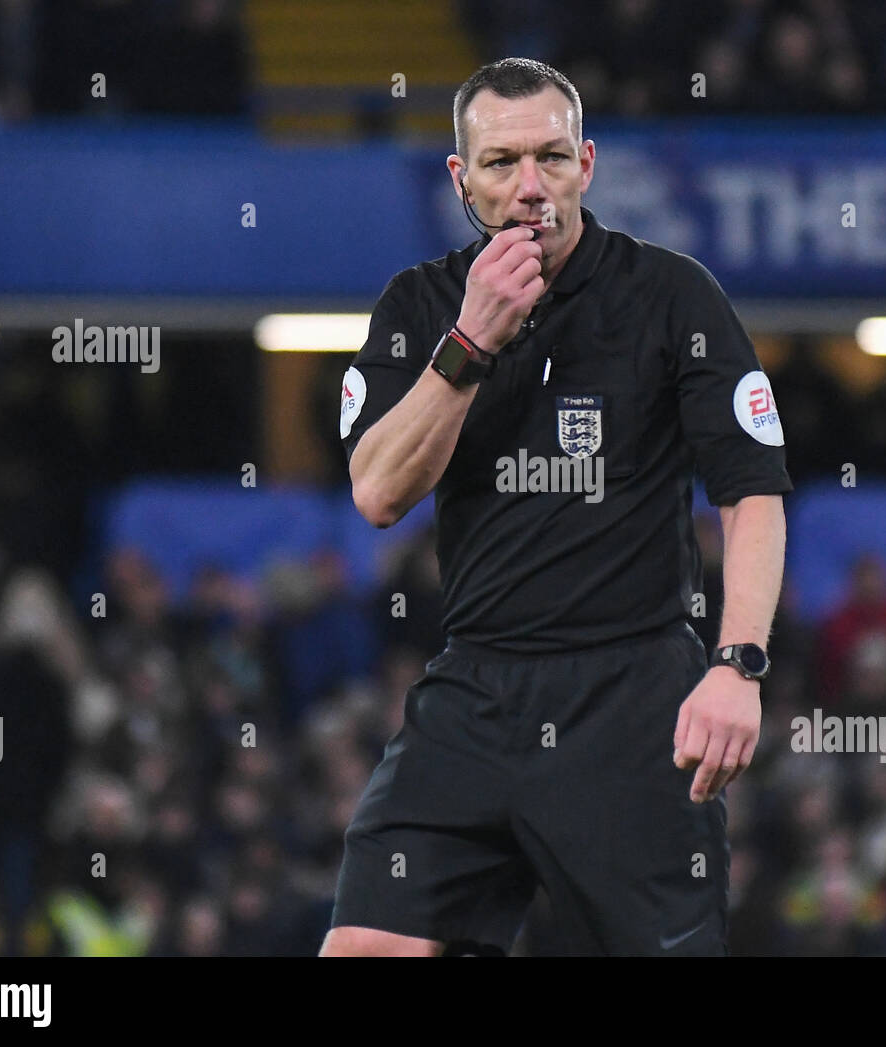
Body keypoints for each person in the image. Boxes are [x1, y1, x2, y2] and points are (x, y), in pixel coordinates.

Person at [321, 57, 791, 957]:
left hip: (633, 698)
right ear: (461, 179)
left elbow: (752, 492)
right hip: (473, 694)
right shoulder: (419, 306)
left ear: (588, 162)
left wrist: (738, 664)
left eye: (551, 157)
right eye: (501, 164)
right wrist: (471, 339)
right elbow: (379, 491)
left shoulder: (671, 294)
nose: (530, 186)